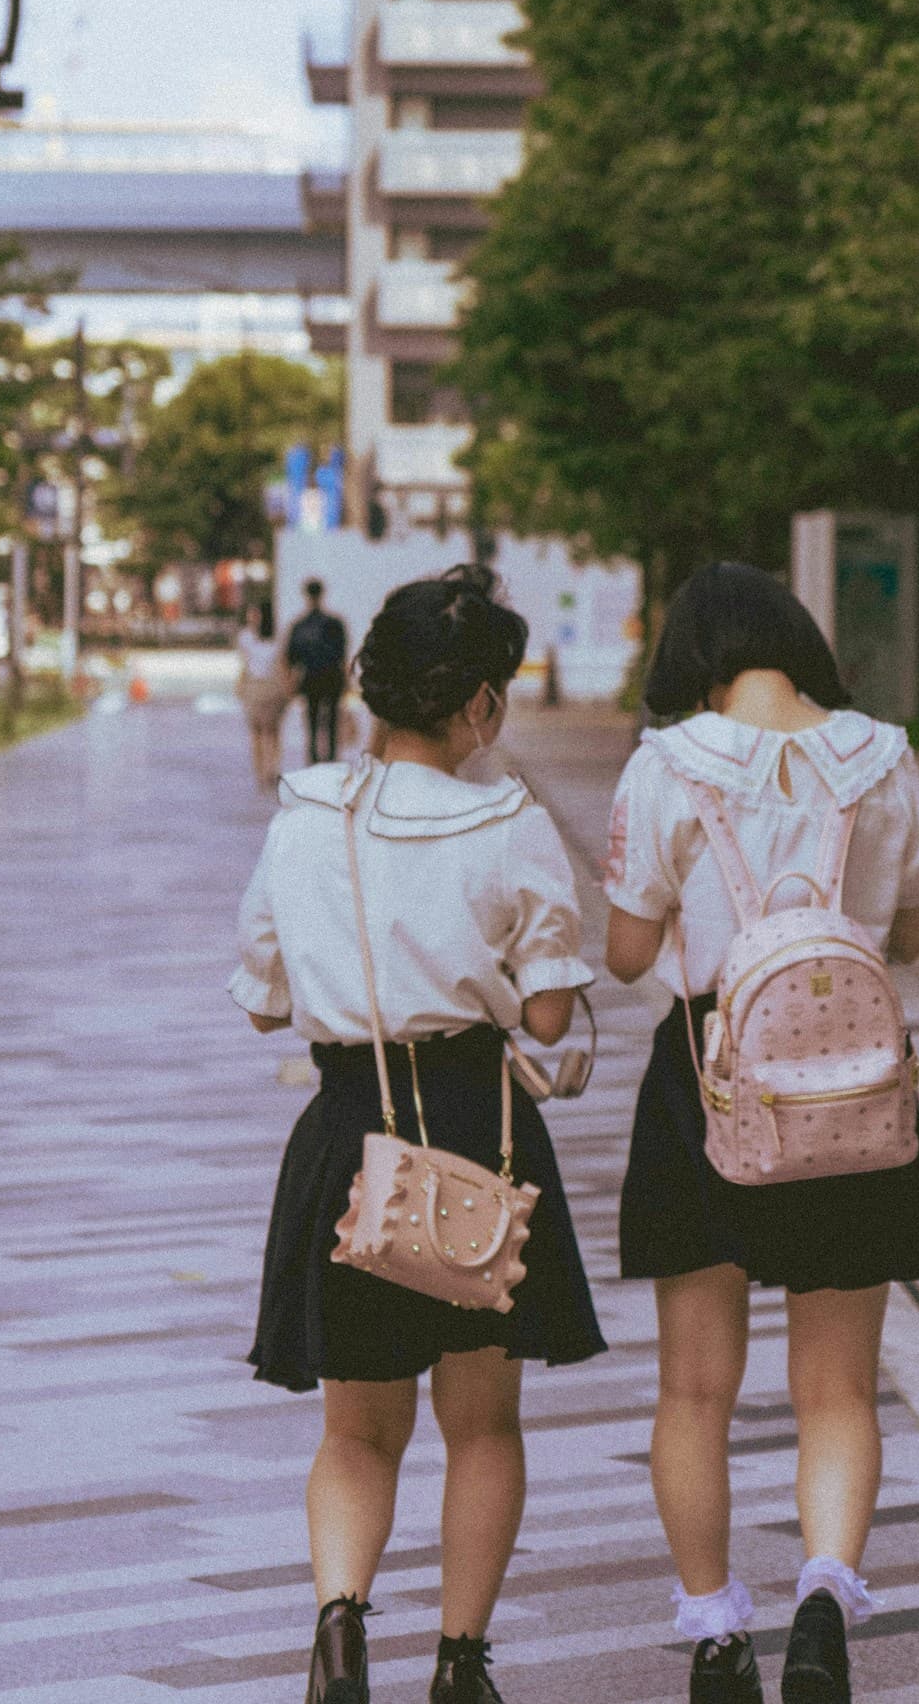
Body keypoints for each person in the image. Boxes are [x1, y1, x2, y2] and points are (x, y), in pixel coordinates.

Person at [231, 564, 605, 1704]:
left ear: (367, 686)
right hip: (472, 1134)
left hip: (350, 1135)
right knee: (480, 1421)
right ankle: (459, 1663)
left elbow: (260, 997)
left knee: (356, 1427)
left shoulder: (302, 817)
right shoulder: (508, 822)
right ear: (480, 707)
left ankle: (340, 1632)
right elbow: (546, 1015)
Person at [603, 563, 919, 1704]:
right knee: (839, 1388)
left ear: (693, 655)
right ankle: (821, 1595)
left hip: (705, 1080)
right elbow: (908, 934)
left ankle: (716, 1633)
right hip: (851, 1088)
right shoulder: (884, 755)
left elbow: (625, 950)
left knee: (695, 1388)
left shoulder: (667, 765)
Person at [287, 577, 349, 764]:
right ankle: (331, 757)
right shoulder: (334, 623)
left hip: (311, 676)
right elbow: (342, 655)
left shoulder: (300, 625)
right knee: (332, 720)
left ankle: (313, 756)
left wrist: (291, 682)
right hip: (331, 676)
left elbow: (293, 657)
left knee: (312, 720)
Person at [237, 596, 290, 792]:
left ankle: (271, 769)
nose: (251, 616)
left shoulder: (275, 637)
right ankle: (262, 771)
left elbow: (282, 664)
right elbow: (244, 664)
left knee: (270, 731)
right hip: (256, 687)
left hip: (269, 687)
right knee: (258, 732)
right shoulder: (246, 637)